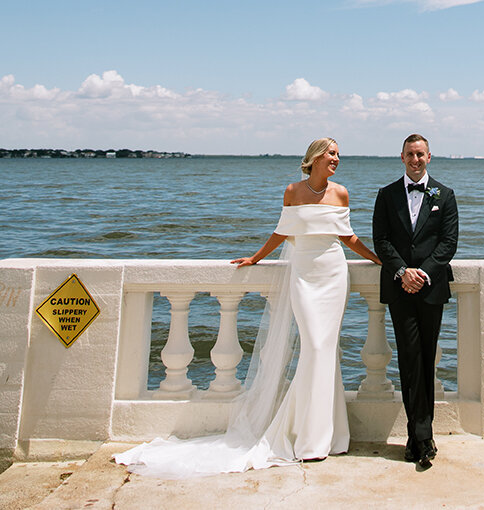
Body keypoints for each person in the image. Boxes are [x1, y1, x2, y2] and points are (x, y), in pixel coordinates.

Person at [115, 136, 380, 475]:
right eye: (331, 153)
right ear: (314, 157)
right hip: (303, 275)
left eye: (338, 155)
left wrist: (378, 260)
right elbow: (282, 232)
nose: (337, 159)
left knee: (326, 350)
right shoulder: (292, 191)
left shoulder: (340, 192)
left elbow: (347, 237)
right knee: (313, 347)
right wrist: (256, 257)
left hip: (332, 273)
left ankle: (328, 436)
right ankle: (307, 435)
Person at [372, 133, 458, 469]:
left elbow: (448, 243)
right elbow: (381, 240)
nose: (415, 159)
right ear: (402, 157)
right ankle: (420, 437)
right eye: (410, 154)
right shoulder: (387, 195)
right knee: (408, 360)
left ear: (429, 157)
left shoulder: (445, 195)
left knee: (426, 360)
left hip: (431, 288)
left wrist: (422, 273)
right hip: (399, 288)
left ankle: (420, 436)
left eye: (420, 154)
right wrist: (402, 272)